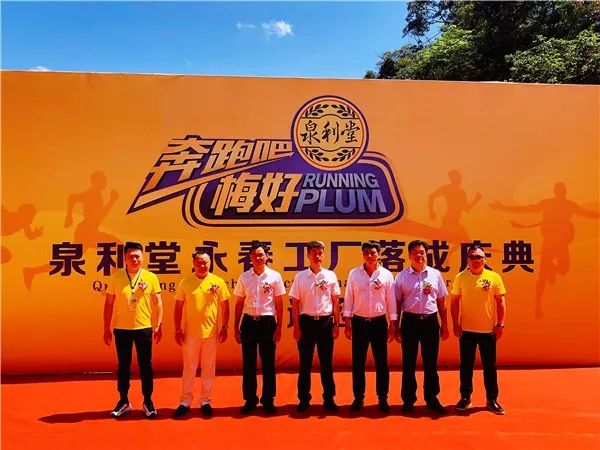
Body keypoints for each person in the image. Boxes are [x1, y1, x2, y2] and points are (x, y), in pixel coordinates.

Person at [103, 241, 163, 418]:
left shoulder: (151, 277)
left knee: (146, 365)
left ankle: (148, 401)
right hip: (122, 329)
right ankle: (123, 401)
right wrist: (106, 328)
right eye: (131, 256)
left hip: (143, 328)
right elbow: (108, 304)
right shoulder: (116, 277)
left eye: (137, 256)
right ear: (125, 259)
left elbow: (158, 302)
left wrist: (159, 323)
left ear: (143, 257)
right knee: (123, 366)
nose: (134, 259)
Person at [450, 244, 507, 415]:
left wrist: (500, 324)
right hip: (466, 330)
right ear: (467, 260)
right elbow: (454, 302)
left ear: (484, 259)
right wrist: (456, 324)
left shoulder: (494, 277)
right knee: (466, 366)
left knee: (490, 366)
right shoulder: (460, 277)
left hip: (488, 331)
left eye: (479, 257)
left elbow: (501, 302)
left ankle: (492, 399)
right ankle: (465, 397)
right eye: (472, 257)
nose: (475, 260)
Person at [172, 252, 230, 418]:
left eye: (205, 262)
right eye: (199, 263)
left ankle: (205, 401)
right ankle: (185, 401)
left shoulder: (218, 281)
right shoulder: (186, 282)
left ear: (210, 263)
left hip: (211, 334)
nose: (202, 266)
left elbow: (225, 306)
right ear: (193, 264)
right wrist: (178, 329)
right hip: (190, 334)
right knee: (189, 368)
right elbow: (178, 307)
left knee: (208, 368)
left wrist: (224, 327)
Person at [395, 240, 449, 414]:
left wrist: (445, 324)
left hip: (430, 322)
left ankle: (432, 398)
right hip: (409, 322)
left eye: (422, 252)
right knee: (408, 363)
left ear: (426, 254)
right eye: (415, 252)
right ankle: (408, 400)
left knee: (430, 363)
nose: (419, 255)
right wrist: (395, 326)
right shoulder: (401, 276)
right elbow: (397, 303)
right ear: (409, 255)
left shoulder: (435, 274)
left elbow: (442, 301)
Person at [343, 240, 397, 413]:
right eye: (366, 252)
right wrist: (347, 321)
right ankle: (358, 398)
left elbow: (391, 299)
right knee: (358, 362)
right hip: (359, 322)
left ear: (379, 254)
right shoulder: (354, 274)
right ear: (362, 255)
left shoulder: (386, 275)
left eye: (373, 252)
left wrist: (393, 322)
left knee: (381, 362)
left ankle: (383, 398)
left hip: (379, 323)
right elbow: (349, 297)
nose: (369, 255)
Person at [233, 242, 285, 414]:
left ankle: (268, 399)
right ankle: (250, 399)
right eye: (255, 255)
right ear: (250, 257)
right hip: (248, 322)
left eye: (261, 254)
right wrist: (235, 327)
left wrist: (279, 327)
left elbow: (279, 303)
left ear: (267, 256)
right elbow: (239, 303)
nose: (258, 257)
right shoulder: (244, 277)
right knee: (248, 363)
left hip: (267, 323)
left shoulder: (275, 276)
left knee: (268, 363)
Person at [289, 240, 341, 413]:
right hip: (306, 323)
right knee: (305, 363)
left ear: (323, 254)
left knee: (326, 363)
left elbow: (335, 301)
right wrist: (297, 327)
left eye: (320, 253)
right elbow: (295, 303)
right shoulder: (300, 277)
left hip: (325, 323)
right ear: (308, 255)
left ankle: (329, 398)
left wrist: (336, 324)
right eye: (314, 253)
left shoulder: (330, 276)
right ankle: (304, 399)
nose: (317, 256)